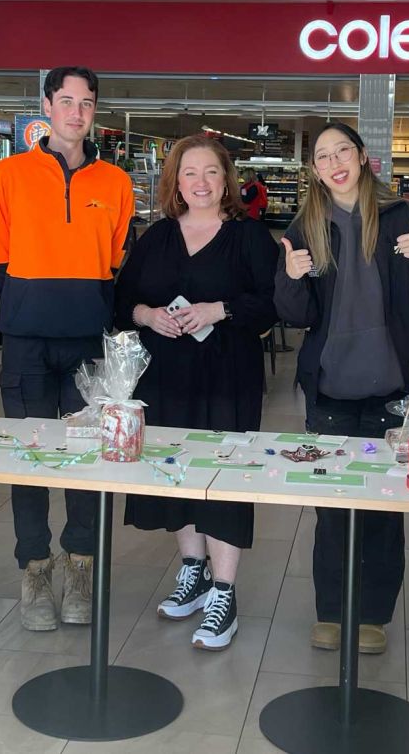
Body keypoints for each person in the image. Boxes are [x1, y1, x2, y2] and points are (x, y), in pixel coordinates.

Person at [275, 123, 409, 656]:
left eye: (342, 151)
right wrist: (289, 275)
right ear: (315, 170)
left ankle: (372, 614)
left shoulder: (400, 216)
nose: (334, 163)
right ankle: (331, 610)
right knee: (332, 505)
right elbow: (296, 313)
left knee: (382, 504)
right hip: (330, 389)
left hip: (393, 389)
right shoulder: (304, 226)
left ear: (363, 156)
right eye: (323, 156)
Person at [0, 66, 135, 631]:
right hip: (24, 344)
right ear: (46, 106)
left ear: (95, 110)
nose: (76, 112)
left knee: (86, 459)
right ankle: (35, 569)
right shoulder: (8, 174)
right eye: (66, 101)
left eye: (87, 103)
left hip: (86, 346)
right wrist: (32, 302)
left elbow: (118, 261)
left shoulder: (115, 183)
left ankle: (80, 566)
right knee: (30, 459)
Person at [116, 134, 278, 651]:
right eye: (190, 172)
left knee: (223, 476)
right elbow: (123, 301)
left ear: (226, 179)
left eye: (211, 172)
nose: (201, 182)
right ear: (175, 181)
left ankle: (225, 593)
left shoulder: (249, 238)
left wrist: (218, 310)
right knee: (177, 472)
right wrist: (148, 316)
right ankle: (195, 570)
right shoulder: (157, 237)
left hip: (228, 374)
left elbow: (273, 304)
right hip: (165, 375)